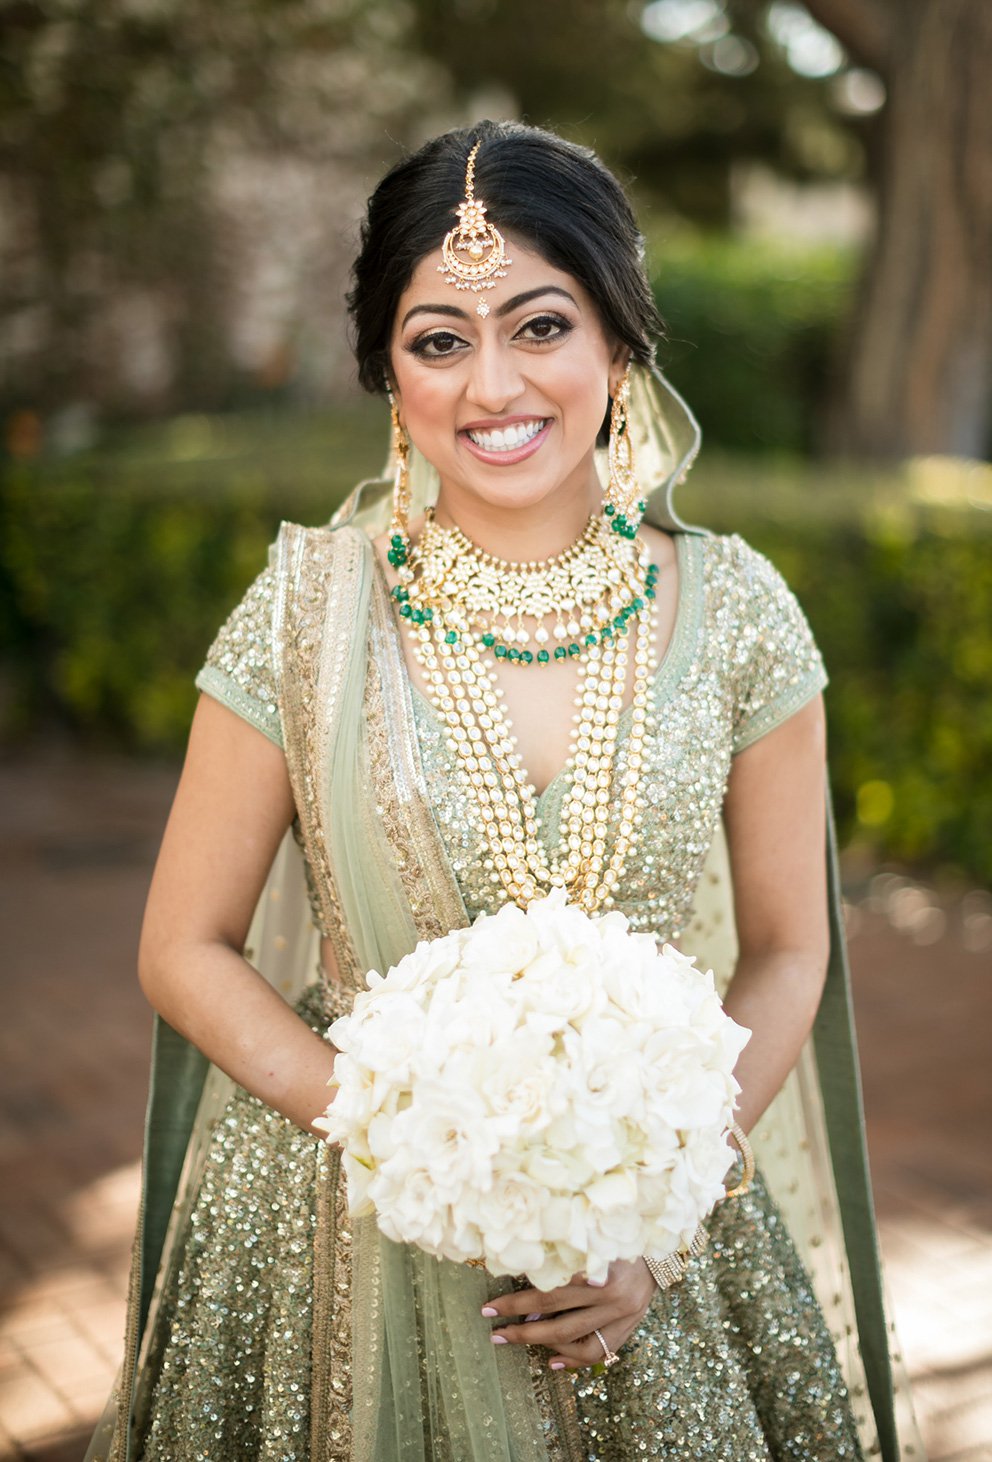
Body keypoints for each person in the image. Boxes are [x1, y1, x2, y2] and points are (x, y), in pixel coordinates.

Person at [90, 120, 921, 1459]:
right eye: (439, 339)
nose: (493, 385)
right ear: (389, 369)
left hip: (647, 1246)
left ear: (619, 342)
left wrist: (657, 1209)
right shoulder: (309, 609)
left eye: (540, 326)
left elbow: (786, 948)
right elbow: (182, 947)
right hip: (345, 1220)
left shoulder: (738, 611)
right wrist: (412, 1140)